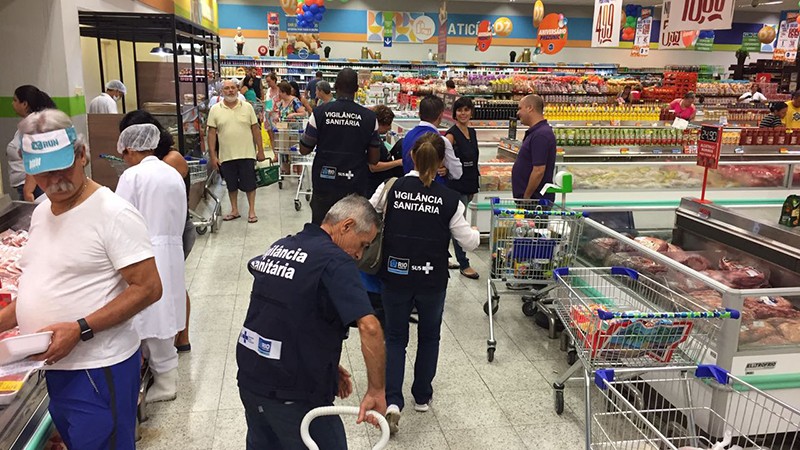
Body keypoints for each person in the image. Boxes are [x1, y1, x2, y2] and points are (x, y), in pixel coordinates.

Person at [0, 108, 162, 450]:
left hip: (99, 369)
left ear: (82, 154)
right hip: (56, 367)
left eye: (63, 168)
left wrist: (81, 328)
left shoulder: (113, 213)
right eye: (43, 174)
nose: (54, 180)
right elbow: (40, 283)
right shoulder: (43, 211)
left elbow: (148, 288)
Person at [237, 194, 386, 450]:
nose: (359, 255)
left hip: (251, 380)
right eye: (362, 244)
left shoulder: (282, 246)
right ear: (346, 225)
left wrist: (323, 361)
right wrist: (376, 390)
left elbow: (285, 314)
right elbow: (370, 327)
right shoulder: (335, 260)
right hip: (294, 395)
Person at [370, 133, 480, 435]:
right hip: (432, 279)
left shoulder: (391, 187)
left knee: (395, 338)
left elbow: (369, 213)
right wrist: (474, 230)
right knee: (430, 337)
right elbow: (469, 243)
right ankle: (421, 395)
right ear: (442, 162)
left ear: (412, 157)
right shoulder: (449, 200)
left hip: (395, 275)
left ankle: (393, 401)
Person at [115, 124, 187, 403]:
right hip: (171, 247)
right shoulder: (171, 173)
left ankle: (166, 382)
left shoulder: (132, 176)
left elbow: (119, 217)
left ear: (131, 150)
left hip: (144, 249)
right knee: (167, 308)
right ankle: (165, 375)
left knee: (152, 314)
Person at [119, 110, 195, 352]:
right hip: (165, 232)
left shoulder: (169, 161)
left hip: (173, 230)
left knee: (170, 283)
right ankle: (169, 339)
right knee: (170, 281)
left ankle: (177, 337)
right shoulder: (152, 168)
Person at [300, 68, 381, 224]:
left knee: (322, 228)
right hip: (355, 184)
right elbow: (374, 159)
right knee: (351, 229)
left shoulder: (319, 113)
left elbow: (305, 149)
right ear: (357, 89)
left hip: (325, 182)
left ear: (335, 86)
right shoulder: (369, 117)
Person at [207, 79, 267, 223]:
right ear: (222, 91)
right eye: (227, 88)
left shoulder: (247, 107)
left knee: (250, 184)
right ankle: (234, 210)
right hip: (226, 155)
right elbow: (211, 133)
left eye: (233, 88)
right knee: (231, 184)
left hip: (246, 153)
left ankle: (251, 211)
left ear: (238, 89)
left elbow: (255, 129)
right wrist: (213, 156)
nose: (230, 91)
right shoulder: (215, 109)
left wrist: (260, 150)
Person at [445, 97, 481, 280]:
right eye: (460, 110)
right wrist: (442, 168)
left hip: (468, 185)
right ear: (454, 113)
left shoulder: (472, 133)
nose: (463, 113)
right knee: (459, 225)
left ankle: (444, 258)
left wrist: (475, 185)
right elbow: (442, 155)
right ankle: (464, 264)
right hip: (455, 186)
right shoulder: (451, 135)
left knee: (450, 225)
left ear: (471, 112)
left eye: (467, 110)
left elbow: (474, 161)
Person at [401, 95, 462, 185]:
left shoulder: (408, 135)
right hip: (433, 192)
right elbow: (457, 173)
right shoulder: (441, 141)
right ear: (441, 116)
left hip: (408, 189)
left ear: (419, 114)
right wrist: (447, 170)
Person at [7, 85, 53, 201]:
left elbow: (35, 157)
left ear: (24, 104)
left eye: (15, 100)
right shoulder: (30, 123)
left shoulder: (32, 125)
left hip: (34, 187)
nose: (12, 104)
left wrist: (28, 190)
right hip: (32, 184)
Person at [512, 94, 557, 203]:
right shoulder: (537, 132)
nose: (518, 113)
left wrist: (526, 197)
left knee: (535, 221)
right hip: (531, 200)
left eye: (520, 108)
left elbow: (538, 170)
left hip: (535, 203)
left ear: (530, 108)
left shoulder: (541, 135)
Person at [368, 105, 404, 195]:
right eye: (388, 124)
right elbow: (373, 167)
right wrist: (399, 162)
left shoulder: (374, 136)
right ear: (380, 124)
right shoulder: (370, 139)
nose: (390, 128)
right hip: (375, 187)